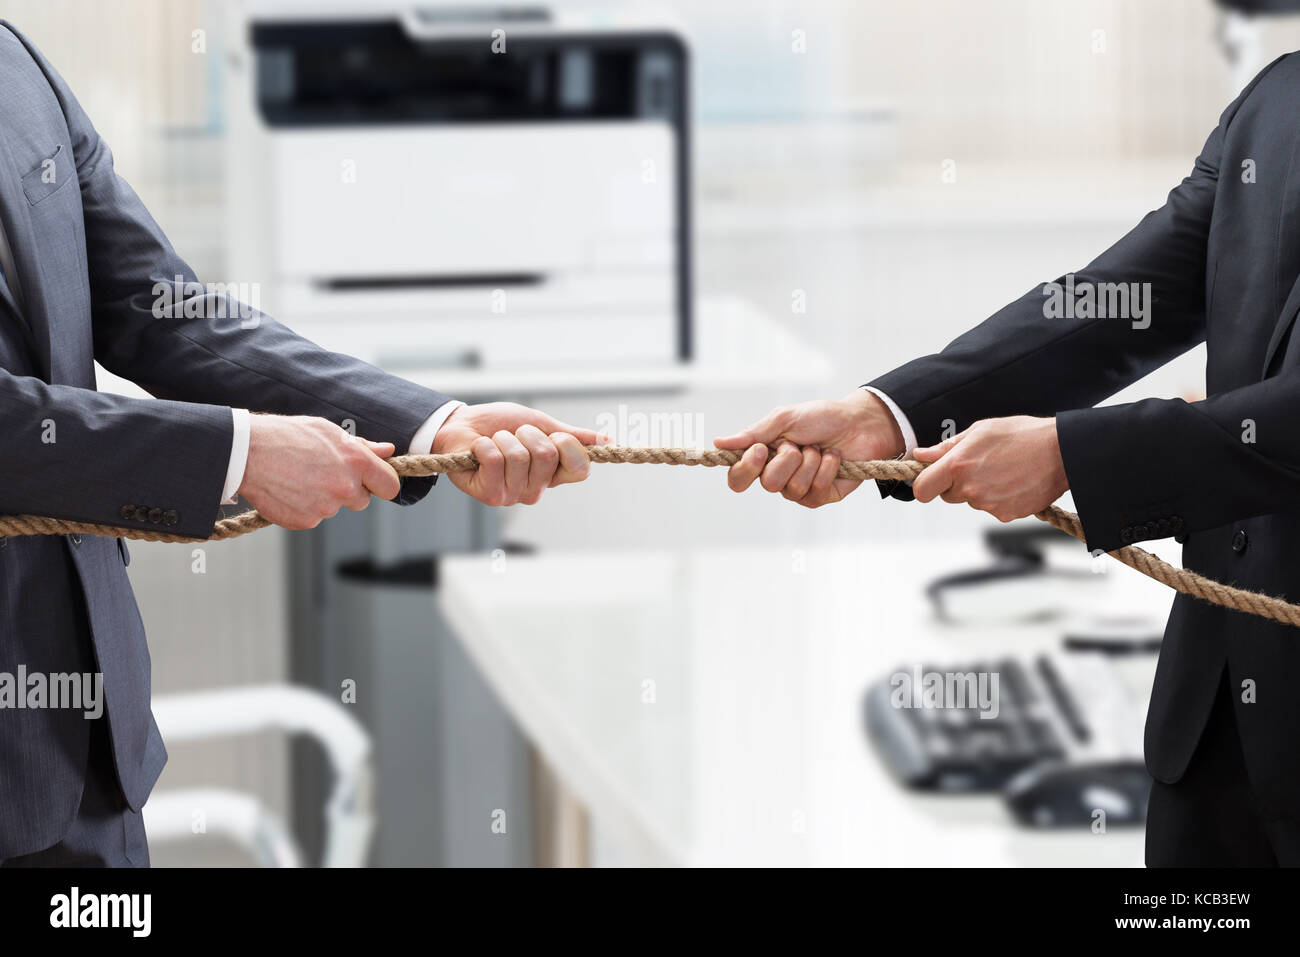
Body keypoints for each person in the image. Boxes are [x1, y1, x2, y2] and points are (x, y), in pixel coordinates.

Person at [0, 21, 600, 865]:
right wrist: (237, 455)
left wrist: (432, 423)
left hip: (91, 763)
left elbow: (162, 310)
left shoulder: (15, 63)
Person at [718, 53, 1300, 867]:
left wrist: (1072, 455)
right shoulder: (1279, 98)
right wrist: (889, 415)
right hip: (1213, 742)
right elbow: (1121, 301)